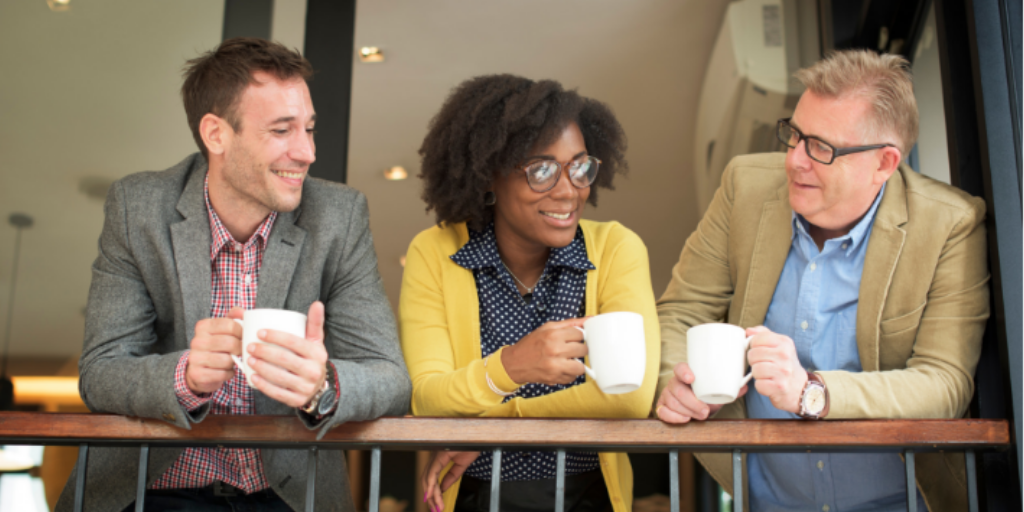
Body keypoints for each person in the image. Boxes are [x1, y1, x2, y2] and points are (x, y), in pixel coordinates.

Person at [56, 38, 411, 512]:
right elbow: (100, 373)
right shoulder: (137, 208)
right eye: (282, 130)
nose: (306, 151)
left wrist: (322, 386)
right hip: (152, 489)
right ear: (216, 134)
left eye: (309, 128)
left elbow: (391, 379)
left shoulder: (339, 217)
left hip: (286, 495)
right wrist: (183, 377)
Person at [655, 49, 989, 512]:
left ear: (884, 163)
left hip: (901, 503)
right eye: (794, 135)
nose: (794, 161)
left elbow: (944, 383)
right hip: (765, 501)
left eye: (821, 147)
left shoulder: (952, 223)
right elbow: (680, 313)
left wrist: (812, 392)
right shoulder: (743, 187)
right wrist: (675, 379)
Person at [403, 75, 660, 512]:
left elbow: (631, 395)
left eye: (580, 167)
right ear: (488, 176)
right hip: (474, 498)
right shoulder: (436, 252)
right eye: (541, 170)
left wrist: (493, 424)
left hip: (587, 495)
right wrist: (511, 366)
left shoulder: (617, 248)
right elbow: (428, 397)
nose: (569, 190)